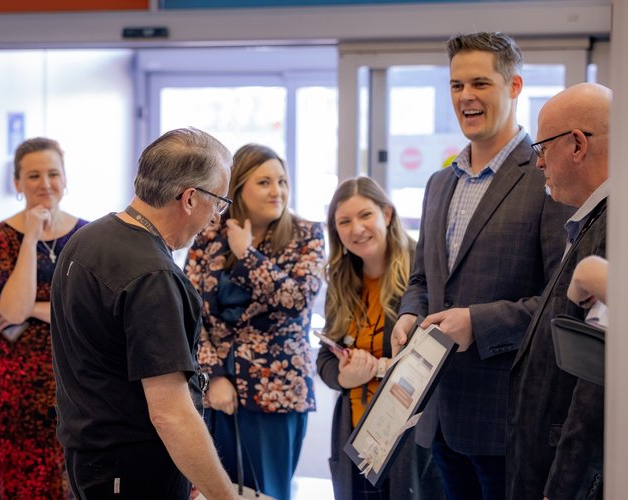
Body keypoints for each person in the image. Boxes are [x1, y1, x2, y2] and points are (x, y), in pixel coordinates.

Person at [390, 32, 572, 499]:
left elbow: (563, 299)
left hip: (506, 421)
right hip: (439, 415)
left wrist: (478, 323)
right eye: (456, 86)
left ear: (514, 87)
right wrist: (410, 312)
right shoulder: (437, 183)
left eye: (479, 83)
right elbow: (422, 278)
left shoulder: (547, 178)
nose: (466, 96)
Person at [50, 127, 238, 500]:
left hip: (88, 454)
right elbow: (170, 413)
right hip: (133, 469)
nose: (215, 217)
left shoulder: (89, 238)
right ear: (188, 199)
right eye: (218, 203)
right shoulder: (153, 277)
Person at [185, 143, 325, 500]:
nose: (277, 190)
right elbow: (189, 315)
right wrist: (213, 376)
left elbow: (296, 301)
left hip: (275, 393)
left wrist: (248, 254)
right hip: (214, 393)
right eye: (264, 182)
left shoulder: (307, 235)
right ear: (239, 188)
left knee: (267, 493)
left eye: (282, 181)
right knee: (213, 491)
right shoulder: (207, 235)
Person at [507, 83, 611, 500]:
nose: (538, 163)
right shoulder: (592, 220)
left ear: (578, 145)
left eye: (543, 147)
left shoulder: (614, 227)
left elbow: (595, 384)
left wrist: (564, 485)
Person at [316, 176, 445, 500]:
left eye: (365, 215)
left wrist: (376, 368)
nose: (356, 228)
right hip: (355, 437)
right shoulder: (341, 279)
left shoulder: (422, 273)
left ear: (387, 215)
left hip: (409, 440)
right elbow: (324, 359)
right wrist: (344, 376)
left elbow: (433, 356)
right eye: (344, 221)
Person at [0, 137, 88, 499]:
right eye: (33, 175)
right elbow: (11, 310)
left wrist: (33, 308)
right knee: (18, 471)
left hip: (75, 369)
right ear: (17, 183)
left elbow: (87, 311)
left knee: (73, 469)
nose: (45, 184)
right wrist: (29, 238)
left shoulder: (87, 236)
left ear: (66, 178)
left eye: (53, 173)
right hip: (17, 375)